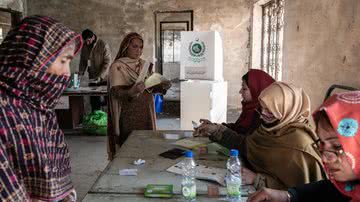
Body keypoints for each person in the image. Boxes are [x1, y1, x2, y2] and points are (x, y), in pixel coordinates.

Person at [0, 16, 82, 201]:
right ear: (31, 58)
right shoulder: (4, 110)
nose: (67, 73)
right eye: (63, 61)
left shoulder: (38, 107)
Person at [247, 91, 360, 202]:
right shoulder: (346, 186)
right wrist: (288, 196)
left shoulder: (297, 141)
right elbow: (328, 190)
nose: (324, 158)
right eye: (321, 142)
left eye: (337, 146)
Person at [108, 32, 171, 158]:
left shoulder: (144, 65)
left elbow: (150, 86)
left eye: (141, 47)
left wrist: (162, 86)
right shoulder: (117, 66)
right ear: (126, 47)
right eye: (135, 46)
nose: (139, 50)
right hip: (129, 113)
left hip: (146, 110)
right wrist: (131, 91)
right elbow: (115, 93)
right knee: (129, 146)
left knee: (147, 144)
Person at [194, 69, 274, 157]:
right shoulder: (250, 110)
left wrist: (218, 130)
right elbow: (238, 129)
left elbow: (245, 144)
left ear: (257, 90)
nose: (240, 92)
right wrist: (213, 127)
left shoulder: (264, 116)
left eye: (244, 89)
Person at [79, 29, 112, 111]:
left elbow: (107, 62)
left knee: (106, 101)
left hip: (104, 78)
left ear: (93, 37)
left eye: (88, 40)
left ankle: (106, 119)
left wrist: (100, 76)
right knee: (94, 100)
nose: (87, 43)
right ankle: (95, 117)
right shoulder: (85, 46)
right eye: (85, 41)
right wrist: (80, 73)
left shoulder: (103, 45)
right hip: (92, 77)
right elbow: (83, 61)